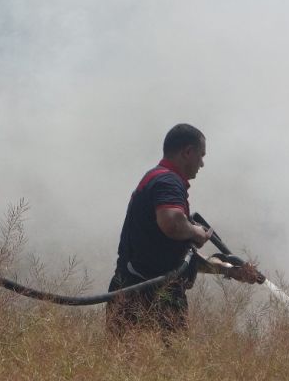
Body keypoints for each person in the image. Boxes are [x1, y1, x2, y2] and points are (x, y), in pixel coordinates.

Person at [106, 123, 259, 337]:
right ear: (188, 152)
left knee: (127, 367)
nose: (202, 164)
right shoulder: (168, 181)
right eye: (201, 155)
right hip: (150, 298)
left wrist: (229, 270)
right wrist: (196, 232)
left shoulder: (157, 178)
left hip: (136, 292)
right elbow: (172, 224)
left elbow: (178, 259)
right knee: (162, 368)